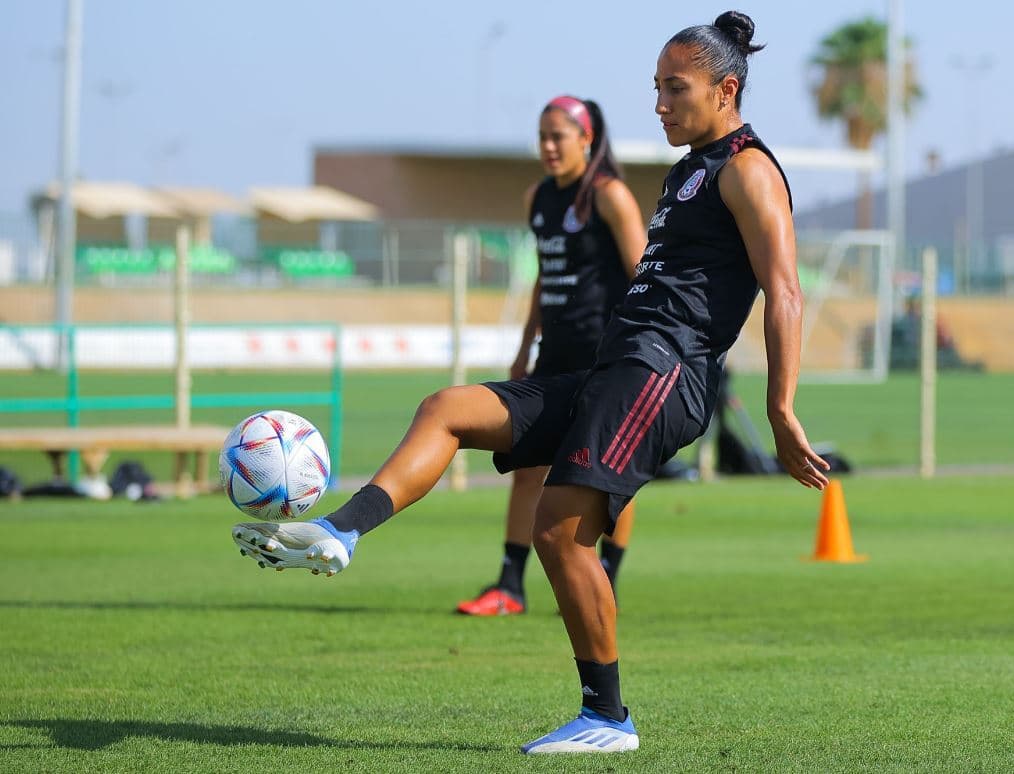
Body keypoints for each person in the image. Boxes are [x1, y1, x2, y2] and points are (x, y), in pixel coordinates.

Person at [231, 10, 830, 754]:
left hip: (663, 374)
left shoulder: (749, 168)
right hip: (612, 366)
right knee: (447, 409)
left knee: (556, 527)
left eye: (674, 89)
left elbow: (786, 289)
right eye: (655, 87)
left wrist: (780, 407)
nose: (658, 104)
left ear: (726, 89)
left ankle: (607, 719)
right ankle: (337, 531)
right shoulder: (688, 170)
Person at [456, 95, 645, 617]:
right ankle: (510, 586)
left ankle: (605, 579)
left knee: (611, 475)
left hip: (608, 361)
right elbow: (546, 277)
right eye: (542, 136)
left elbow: (641, 276)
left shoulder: (610, 196)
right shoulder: (538, 198)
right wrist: (523, 348)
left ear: (587, 139)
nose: (548, 147)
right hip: (554, 358)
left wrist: (645, 350)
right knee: (526, 469)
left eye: (558, 136)